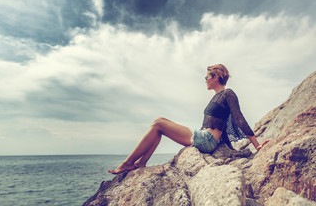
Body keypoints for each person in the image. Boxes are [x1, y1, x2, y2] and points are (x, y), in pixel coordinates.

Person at [108, 64, 269, 174]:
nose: (205, 80)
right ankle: (142, 162)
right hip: (204, 136)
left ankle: (127, 163)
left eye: (207, 77)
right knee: (160, 121)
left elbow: (239, 120)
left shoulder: (228, 94)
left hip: (207, 140)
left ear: (216, 77)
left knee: (158, 124)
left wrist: (257, 145)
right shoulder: (216, 97)